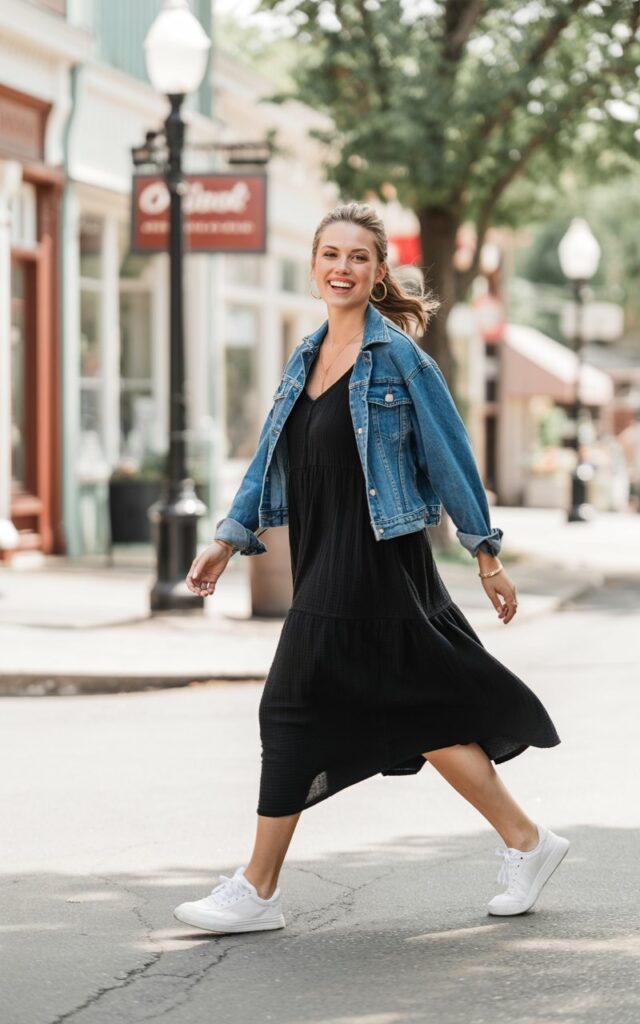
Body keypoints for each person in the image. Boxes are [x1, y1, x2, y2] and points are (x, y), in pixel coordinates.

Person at [175, 202, 569, 935]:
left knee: (289, 704)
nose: (342, 267)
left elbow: (451, 456)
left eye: (358, 257)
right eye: (331, 254)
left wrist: (486, 554)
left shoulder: (401, 361)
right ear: (314, 265)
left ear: (378, 271)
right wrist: (227, 539)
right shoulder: (305, 356)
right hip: (325, 551)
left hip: (379, 556)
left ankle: (257, 890)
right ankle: (528, 840)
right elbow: (270, 455)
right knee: (423, 711)